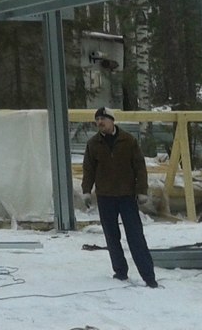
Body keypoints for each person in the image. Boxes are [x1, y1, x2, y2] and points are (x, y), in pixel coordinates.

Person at [81, 106, 158, 287]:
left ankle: (149, 276)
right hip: (105, 197)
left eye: (103, 119)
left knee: (135, 236)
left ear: (112, 120)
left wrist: (142, 191)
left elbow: (140, 166)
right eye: (97, 119)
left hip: (127, 196)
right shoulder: (93, 144)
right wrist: (86, 190)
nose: (100, 122)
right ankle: (120, 272)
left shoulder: (128, 141)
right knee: (111, 236)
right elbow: (88, 169)